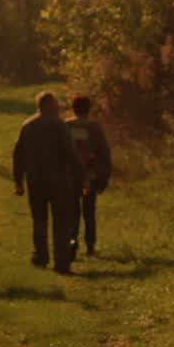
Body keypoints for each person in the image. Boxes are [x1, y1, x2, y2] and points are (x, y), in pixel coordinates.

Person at [12, 91, 84, 274]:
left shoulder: (27, 126)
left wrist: (18, 181)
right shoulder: (59, 125)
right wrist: (80, 176)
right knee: (61, 223)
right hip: (58, 180)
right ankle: (61, 263)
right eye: (56, 104)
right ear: (50, 106)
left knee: (39, 220)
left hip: (35, 180)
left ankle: (41, 256)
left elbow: (18, 155)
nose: (58, 107)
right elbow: (71, 152)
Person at [66, 95, 112, 257]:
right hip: (89, 176)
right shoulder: (94, 128)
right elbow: (104, 153)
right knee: (89, 212)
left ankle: (72, 240)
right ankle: (90, 246)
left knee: (72, 211)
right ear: (89, 109)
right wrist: (104, 176)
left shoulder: (66, 126)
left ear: (73, 108)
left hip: (70, 176)